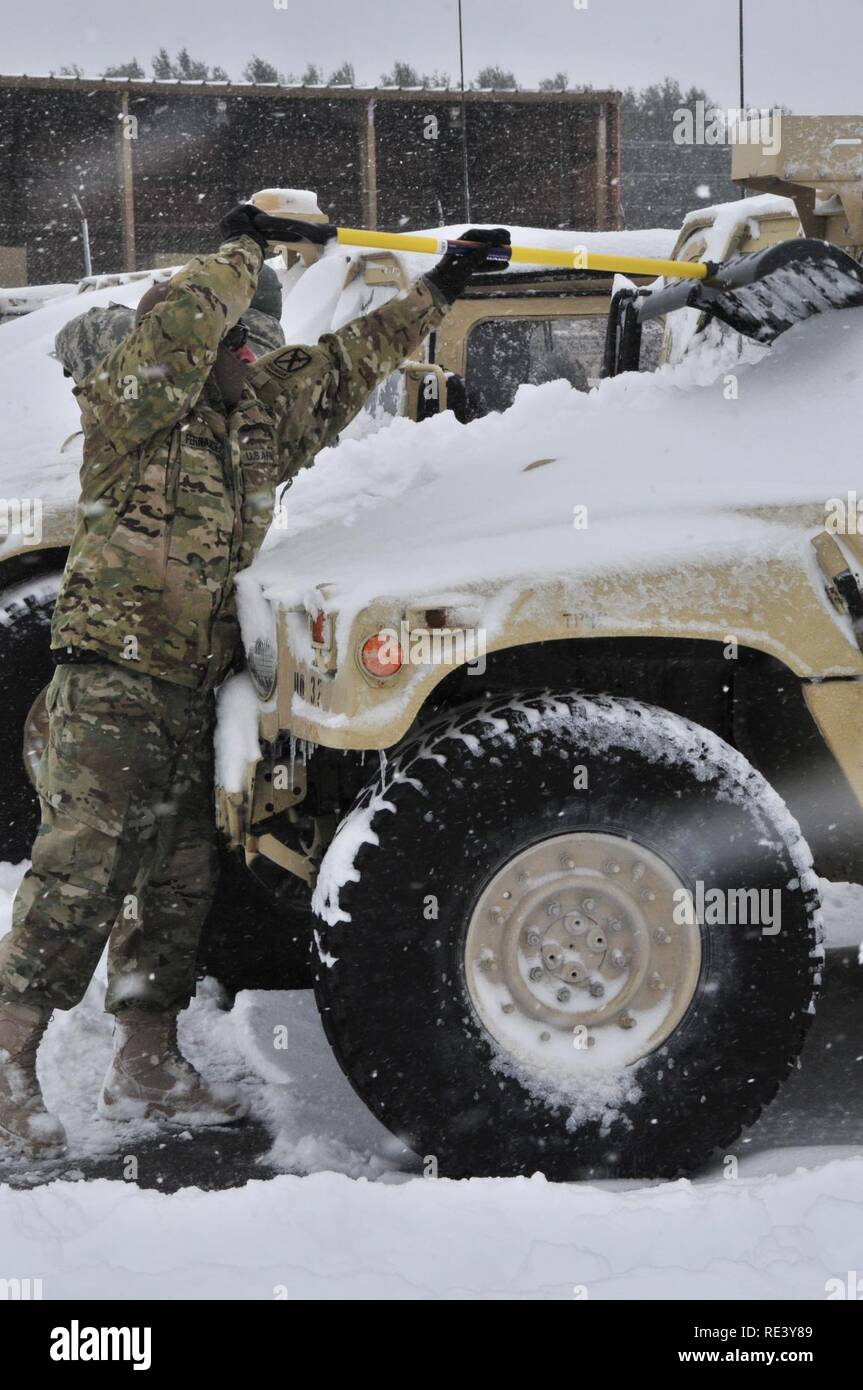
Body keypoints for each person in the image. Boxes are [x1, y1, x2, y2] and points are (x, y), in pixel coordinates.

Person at [0, 204, 511, 1157]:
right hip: (109, 679)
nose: (256, 363)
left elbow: (358, 357)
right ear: (213, 340)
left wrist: (442, 286)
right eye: (244, 345)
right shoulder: (136, 399)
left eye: (262, 349)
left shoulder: (261, 412)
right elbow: (184, 321)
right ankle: (6, 1071)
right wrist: (246, 242)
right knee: (80, 875)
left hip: (194, 685)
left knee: (179, 883)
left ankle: (145, 1066)